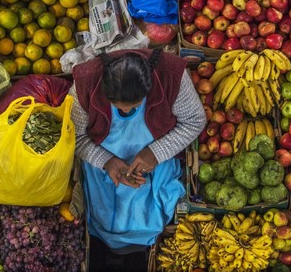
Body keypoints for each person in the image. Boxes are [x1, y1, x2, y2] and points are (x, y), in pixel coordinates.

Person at [70, 48, 206, 253]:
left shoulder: (171, 76)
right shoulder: (85, 83)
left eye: (134, 105)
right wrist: (106, 161)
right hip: (103, 153)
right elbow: (76, 136)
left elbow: (194, 121)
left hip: (156, 151)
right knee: (107, 219)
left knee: (151, 215)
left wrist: (155, 153)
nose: (126, 112)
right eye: (119, 107)